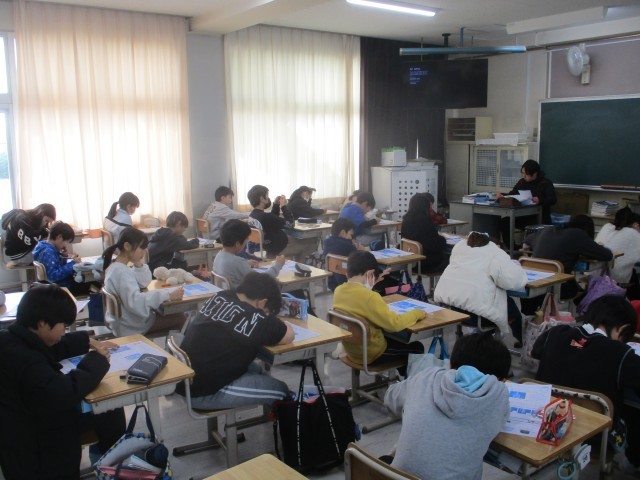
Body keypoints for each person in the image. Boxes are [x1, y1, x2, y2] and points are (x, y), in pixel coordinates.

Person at [0, 283, 125, 479]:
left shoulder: (11, 339)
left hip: (29, 426)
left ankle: (105, 463)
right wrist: (97, 361)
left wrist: (87, 341)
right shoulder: (26, 361)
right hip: (37, 447)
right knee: (107, 405)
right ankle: (110, 467)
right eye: (63, 326)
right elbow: (65, 392)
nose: (64, 332)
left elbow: (51, 347)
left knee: (109, 408)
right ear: (43, 323)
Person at [531, 295, 640, 475]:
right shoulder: (621, 354)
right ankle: (633, 461)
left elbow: (536, 352)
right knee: (633, 408)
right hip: (596, 437)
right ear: (622, 329)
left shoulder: (555, 333)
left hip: (547, 421)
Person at [384, 333, 510, 480]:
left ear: (450, 365)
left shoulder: (427, 376)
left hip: (396, 477)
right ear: (502, 380)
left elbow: (390, 399)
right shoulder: (499, 395)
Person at [178, 272, 294, 409]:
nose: (267, 316)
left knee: (257, 370)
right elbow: (288, 336)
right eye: (268, 312)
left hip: (190, 380)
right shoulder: (252, 316)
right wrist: (287, 323)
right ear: (262, 302)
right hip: (204, 393)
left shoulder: (221, 296)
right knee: (281, 390)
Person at [333, 251, 426, 371]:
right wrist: (417, 313)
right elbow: (394, 324)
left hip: (352, 351)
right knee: (417, 347)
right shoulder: (371, 297)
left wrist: (372, 282)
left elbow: (358, 297)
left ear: (348, 273)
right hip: (373, 353)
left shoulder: (338, 291)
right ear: (370, 273)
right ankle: (408, 380)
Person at [434, 231, 527, 346]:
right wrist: (518, 269)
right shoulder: (495, 253)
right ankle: (522, 340)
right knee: (511, 309)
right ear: (497, 245)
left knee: (490, 303)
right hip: (478, 315)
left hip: (453, 309)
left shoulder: (460, 250)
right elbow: (511, 281)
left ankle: (482, 338)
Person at [103, 227, 184, 336]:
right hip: (132, 326)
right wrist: (168, 295)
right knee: (181, 318)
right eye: (142, 248)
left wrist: (139, 264)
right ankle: (172, 346)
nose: (144, 252)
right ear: (127, 246)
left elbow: (144, 283)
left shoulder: (116, 267)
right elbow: (136, 303)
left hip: (124, 322)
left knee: (168, 313)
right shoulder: (122, 272)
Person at [524, 215, 613, 302]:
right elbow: (607, 255)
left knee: (575, 284)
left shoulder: (547, 230)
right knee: (577, 288)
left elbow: (527, 239)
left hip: (533, 283)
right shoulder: (578, 235)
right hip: (559, 287)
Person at [247, 185, 316, 262]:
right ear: (262, 198)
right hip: (275, 249)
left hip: (265, 246)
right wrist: (283, 207)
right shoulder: (266, 216)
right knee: (310, 243)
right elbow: (290, 224)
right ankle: (300, 267)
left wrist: (276, 205)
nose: (268, 198)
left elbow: (272, 221)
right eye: (267, 196)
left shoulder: (252, 216)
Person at [213, 219, 285, 289]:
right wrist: (278, 265)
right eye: (246, 240)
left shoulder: (219, 256)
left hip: (227, 294)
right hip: (243, 295)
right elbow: (263, 280)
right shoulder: (237, 262)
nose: (246, 242)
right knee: (276, 285)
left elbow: (233, 266)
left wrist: (245, 263)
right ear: (237, 244)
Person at [500, 159, 556, 247]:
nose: (523, 176)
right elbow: (513, 193)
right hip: (523, 216)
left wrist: (540, 200)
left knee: (531, 226)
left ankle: (530, 249)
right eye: (522, 173)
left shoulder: (545, 183)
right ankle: (511, 247)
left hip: (539, 217)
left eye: (526, 174)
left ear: (534, 174)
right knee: (505, 221)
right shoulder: (522, 182)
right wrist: (504, 196)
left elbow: (553, 199)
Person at [32, 221, 91, 295]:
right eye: (67, 241)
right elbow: (53, 276)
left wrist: (63, 256)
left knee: (89, 282)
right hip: (60, 288)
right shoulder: (48, 252)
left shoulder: (44, 246)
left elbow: (56, 267)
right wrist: (73, 264)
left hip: (56, 285)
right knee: (92, 284)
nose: (66, 245)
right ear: (59, 237)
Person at [401, 193, 449, 273]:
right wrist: (443, 239)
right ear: (425, 206)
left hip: (410, 261)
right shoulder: (423, 220)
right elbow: (433, 244)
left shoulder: (406, 219)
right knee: (452, 257)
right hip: (425, 262)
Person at [595, 207, 640, 285]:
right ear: (636, 225)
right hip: (616, 276)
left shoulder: (610, 227)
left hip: (601, 270)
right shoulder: (633, 233)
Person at [322, 218, 357, 291]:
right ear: (343, 232)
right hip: (348, 282)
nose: (351, 238)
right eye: (351, 234)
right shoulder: (348, 246)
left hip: (332, 282)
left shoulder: (327, 244)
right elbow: (358, 259)